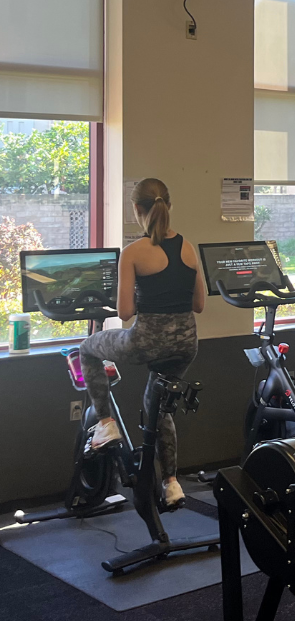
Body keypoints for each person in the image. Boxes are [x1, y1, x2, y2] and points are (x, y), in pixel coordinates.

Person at [79, 178, 205, 507]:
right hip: (186, 344)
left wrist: (140, 293)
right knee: (157, 407)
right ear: (169, 206)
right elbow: (199, 304)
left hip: (145, 341)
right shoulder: (188, 247)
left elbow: (124, 313)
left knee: (87, 349)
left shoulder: (133, 252)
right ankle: (172, 483)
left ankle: (105, 424)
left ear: (136, 209)